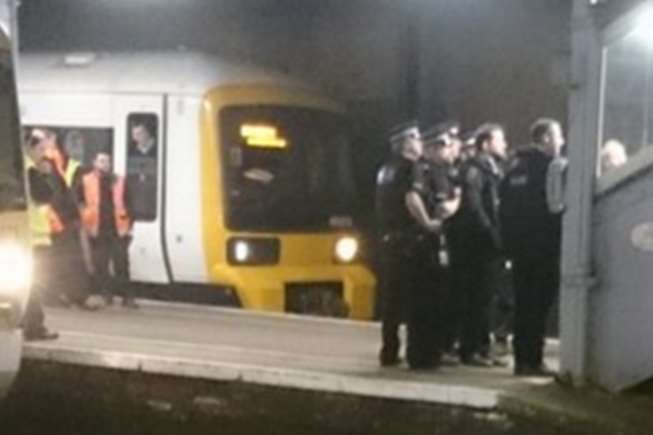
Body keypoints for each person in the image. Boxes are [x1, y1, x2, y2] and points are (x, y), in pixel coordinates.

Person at [500, 118, 566, 377]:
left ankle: (521, 359)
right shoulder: (551, 169)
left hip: (519, 250)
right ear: (546, 139)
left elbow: (503, 209)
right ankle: (533, 360)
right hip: (544, 248)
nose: (562, 141)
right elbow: (556, 208)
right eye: (558, 136)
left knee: (523, 304)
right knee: (538, 306)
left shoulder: (515, 168)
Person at [375, 121, 441, 369]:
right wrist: (427, 223)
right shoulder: (411, 168)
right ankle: (418, 355)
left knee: (391, 302)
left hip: (389, 239)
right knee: (416, 299)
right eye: (415, 137)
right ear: (404, 143)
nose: (420, 141)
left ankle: (389, 351)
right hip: (409, 241)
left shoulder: (385, 170)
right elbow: (412, 198)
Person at [450, 123, 507, 367]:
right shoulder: (474, 170)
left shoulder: (493, 170)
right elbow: (475, 208)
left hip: (490, 245)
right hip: (477, 246)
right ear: (485, 144)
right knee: (475, 298)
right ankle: (470, 348)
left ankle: (483, 348)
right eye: (500, 139)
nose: (504, 144)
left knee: (487, 298)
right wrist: (491, 234)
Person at [29, 128, 98, 310]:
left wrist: (74, 216)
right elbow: (46, 196)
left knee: (69, 260)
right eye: (41, 145)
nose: (46, 148)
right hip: (48, 223)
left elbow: (63, 192)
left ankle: (77, 296)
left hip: (62, 221)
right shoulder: (32, 167)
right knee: (52, 264)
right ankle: (56, 296)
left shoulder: (51, 164)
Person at [415, 127, 461, 365]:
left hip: (442, 242)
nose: (449, 148)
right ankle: (428, 351)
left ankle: (436, 349)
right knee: (429, 298)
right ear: (431, 148)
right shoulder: (426, 172)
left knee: (442, 296)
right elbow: (444, 209)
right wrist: (456, 204)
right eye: (444, 144)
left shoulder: (445, 173)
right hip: (428, 242)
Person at [78, 151, 136, 308]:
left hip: (118, 229)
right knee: (101, 264)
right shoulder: (85, 180)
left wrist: (129, 226)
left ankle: (127, 296)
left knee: (121, 264)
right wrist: (86, 222)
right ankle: (106, 294)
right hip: (97, 230)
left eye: (107, 161)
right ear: (94, 162)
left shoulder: (119, 181)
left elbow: (129, 203)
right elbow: (79, 202)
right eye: (102, 161)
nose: (105, 164)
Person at [22, 135, 59, 341]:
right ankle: (35, 326)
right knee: (34, 284)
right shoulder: (30, 169)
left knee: (28, 285)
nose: (43, 155)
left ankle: (27, 324)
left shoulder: (20, 167)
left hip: (26, 235)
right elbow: (46, 195)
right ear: (29, 147)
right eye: (40, 150)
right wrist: (46, 175)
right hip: (34, 237)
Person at [127, 120, 157, 221]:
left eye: (139, 134)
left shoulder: (159, 149)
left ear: (147, 133)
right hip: (139, 197)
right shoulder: (132, 151)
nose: (136, 138)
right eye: (134, 135)